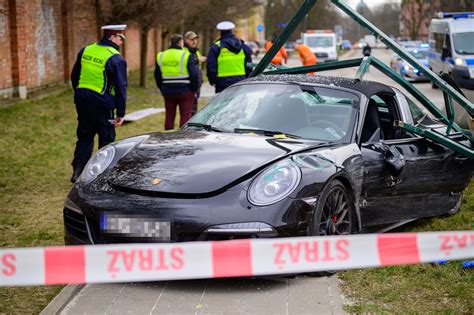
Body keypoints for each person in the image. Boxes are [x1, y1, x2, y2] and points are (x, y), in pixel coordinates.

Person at [70, 24, 128, 183]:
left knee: (84, 135)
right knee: (107, 139)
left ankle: (78, 171)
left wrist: (81, 94)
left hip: (82, 99)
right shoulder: (116, 58)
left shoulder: (86, 50)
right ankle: (104, 174)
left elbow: (75, 75)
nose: (122, 42)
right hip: (103, 103)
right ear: (112, 37)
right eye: (121, 37)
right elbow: (121, 87)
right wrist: (121, 113)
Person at [155, 34, 199, 130]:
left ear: (170, 43)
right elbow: (194, 75)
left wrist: (162, 88)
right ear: (181, 43)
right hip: (185, 91)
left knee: (169, 115)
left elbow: (157, 75)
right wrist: (194, 89)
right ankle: (182, 136)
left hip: (168, 91)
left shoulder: (161, 55)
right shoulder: (186, 55)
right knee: (185, 115)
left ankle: (168, 136)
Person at [207, 21, 253, 93]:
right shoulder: (243, 47)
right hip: (240, 81)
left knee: (223, 104)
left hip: (222, 84)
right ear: (232, 31)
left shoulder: (216, 48)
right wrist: (247, 77)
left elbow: (211, 67)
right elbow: (249, 64)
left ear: (220, 32)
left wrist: (213, 81)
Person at [184, 31, 205, 116]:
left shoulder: (195, 51)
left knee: (194, 108)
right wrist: (197, 60)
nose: (194, 41)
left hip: (197, 84)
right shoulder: (184, 51)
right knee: (189, 109)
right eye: (191, 39)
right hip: (189, 84)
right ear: (186, 40)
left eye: (195, 39)